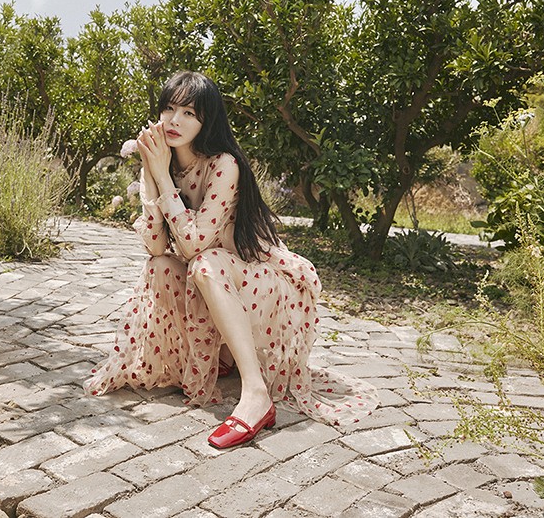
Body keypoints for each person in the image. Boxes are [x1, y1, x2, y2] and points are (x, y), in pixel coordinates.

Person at [85, 71, 374, 448]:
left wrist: (162, 179)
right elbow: (156, 248)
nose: (174, 120)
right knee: (160, 267)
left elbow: (195, 245)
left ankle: (256, 394)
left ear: (207, 121)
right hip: (218, 282)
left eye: (189, 113)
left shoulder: (224, 164)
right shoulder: (161, 164)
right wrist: (154, 174)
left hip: (262, 285)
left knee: (205, 263)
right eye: (169, 109)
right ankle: (220, 356)